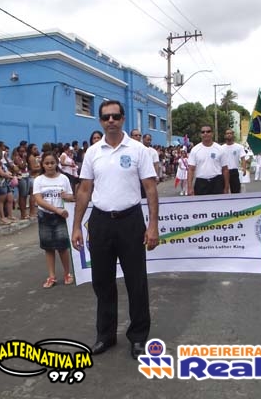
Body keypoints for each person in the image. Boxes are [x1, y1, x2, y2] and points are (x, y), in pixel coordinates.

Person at [71, 100, 159, 360]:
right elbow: (84, 190)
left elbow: (151, 188)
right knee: (102, 282)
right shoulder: (92, 152)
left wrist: (153, 225)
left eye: (116, 116)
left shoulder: (138, 150)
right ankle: (105, 335)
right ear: (100, 121)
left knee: (136, 281)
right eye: (106, 117)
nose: (111, 120)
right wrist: (76, 226)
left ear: (123, 119)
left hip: (130, 221)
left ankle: (138, 337)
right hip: (100, 222)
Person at [33, 152, 75, 288]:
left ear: (57, 163)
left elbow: (71, 196)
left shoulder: (64, 178)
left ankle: (67, 273)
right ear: (42, 165)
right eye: (47, 163)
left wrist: (66, 196)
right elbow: (39, 200)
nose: (50, 166)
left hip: (62, 216)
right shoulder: (39, 180)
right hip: (45, 216)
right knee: (48, 247)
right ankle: (51, 276)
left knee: (62, 246)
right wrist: (56, 210)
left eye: (52, 163)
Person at [186, 125, 229, 195]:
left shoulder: (220, 149)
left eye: (208, 131)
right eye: (203, 132)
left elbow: (225, 169)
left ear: (212, 134)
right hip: (201, 183)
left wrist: (226, 187)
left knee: (218, 202)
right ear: (200, 135)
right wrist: (189, 187)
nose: (205, 133)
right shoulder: (195, 150)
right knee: (201, 202)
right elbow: (191, 170)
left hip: (217, 182)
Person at [221, 129, 246, 193]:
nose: (229, 135)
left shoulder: (239, 147)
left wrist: (244, 168)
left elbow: (243, 158)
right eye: (227, 133)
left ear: (233, 135)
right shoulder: (221, 148)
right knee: (224, 191)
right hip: (224, 171)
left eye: (230, 133)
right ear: (225, 135)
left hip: (234, 171)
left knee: (236, 191)